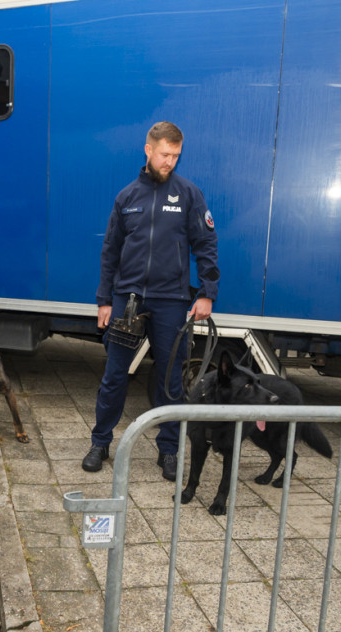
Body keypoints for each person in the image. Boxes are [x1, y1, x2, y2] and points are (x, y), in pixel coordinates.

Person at [81, 121, 219, 480]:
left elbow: (205, 245)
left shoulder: (189, 194)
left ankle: (169, 450)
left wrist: (206, 293)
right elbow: (110, 250)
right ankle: (100, 443)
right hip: (128, 300)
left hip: (172, 301)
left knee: (170, 380)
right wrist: (103, 300)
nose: (169, 162)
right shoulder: (127, 198)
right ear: (148, 150)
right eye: (164, 154)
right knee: (114, 376)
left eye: (175, 155)